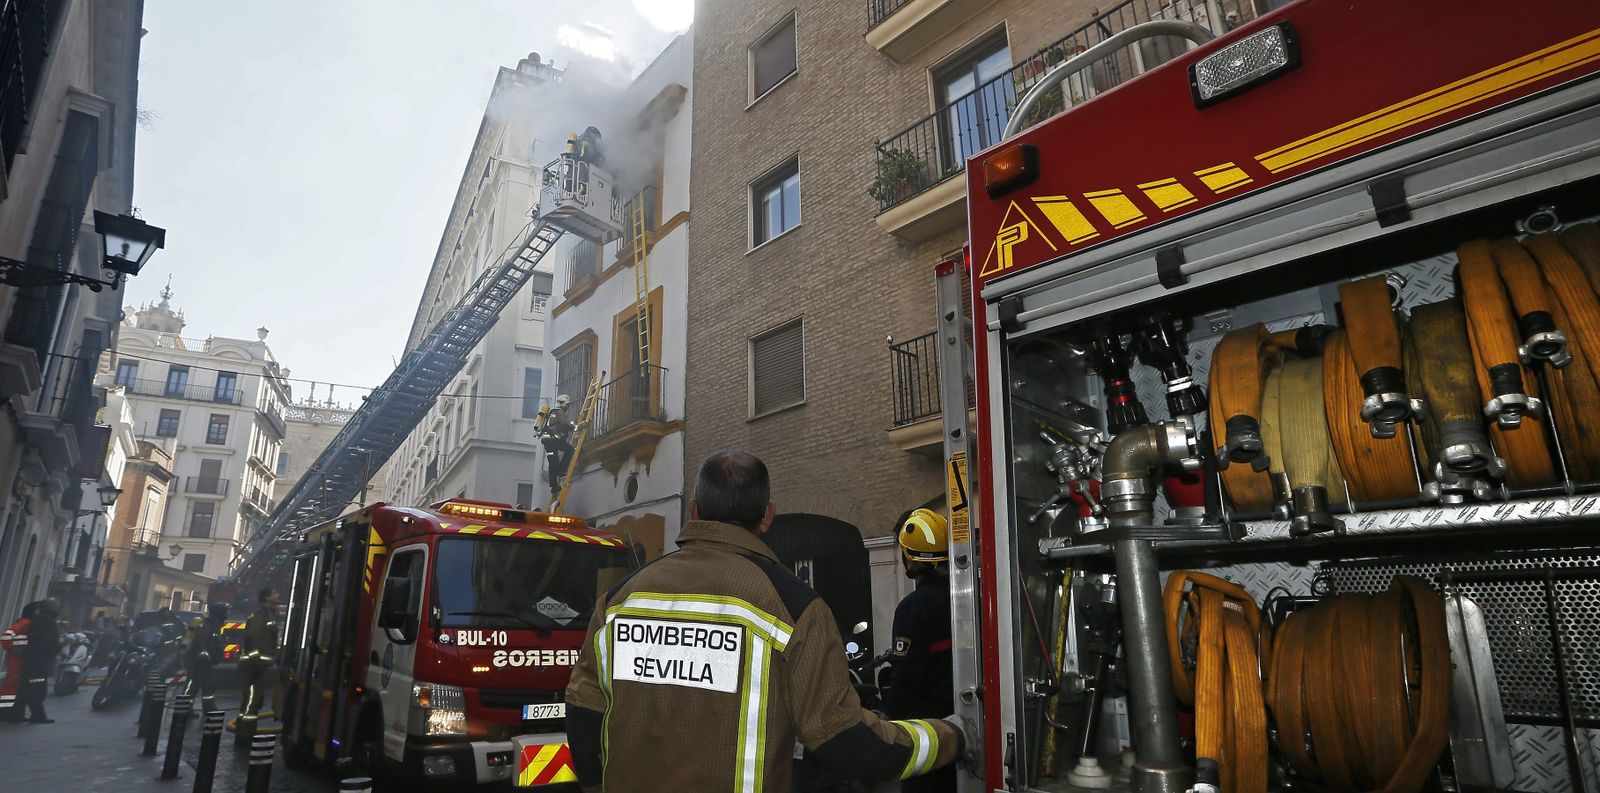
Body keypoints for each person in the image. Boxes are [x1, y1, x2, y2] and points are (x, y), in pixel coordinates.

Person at [565, 449, 970, 792]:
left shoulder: (619, 600)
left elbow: (584, 715)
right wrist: (953, 735)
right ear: (767, 516)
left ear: (694, 509)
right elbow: (846, 742)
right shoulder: (795, 608)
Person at [883, 508, 957, 793]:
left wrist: (887, 716)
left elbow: (907, 675)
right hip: (962, 726)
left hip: (927, 734)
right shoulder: (964, 598)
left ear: (910, 558)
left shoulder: (913, 608)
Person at [238, 588, 279, 723]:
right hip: (254, 666)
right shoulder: (260, 616)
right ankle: (244, 736)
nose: (277, 595)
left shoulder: (269, 615)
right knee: (252, 701)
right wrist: (254, 661)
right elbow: (251, 639)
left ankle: (245, 731)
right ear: (267, 598)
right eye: (274, 593)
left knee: (255, 700)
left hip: (259, 665)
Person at [16, 599, 60, 723]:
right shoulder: (47, 621)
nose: (58, 607)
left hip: (31, 659)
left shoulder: (38, 619)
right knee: (37, 687)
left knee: (25, 687)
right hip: (39, 661)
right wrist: (57, 649)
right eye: (55, 605)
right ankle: (37, 715)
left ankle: (17, 715)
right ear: (48, 607)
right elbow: (49, 641)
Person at [184, 601, 229, 713]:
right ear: (219, 613)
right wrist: (207, 657)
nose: (227, 613)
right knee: (194, 685)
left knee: (208, 685)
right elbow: (201, 643)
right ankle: (185, 708)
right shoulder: (207, 625)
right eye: (226, 611)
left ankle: (208, 707)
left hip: (205, 661)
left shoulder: (215, 624)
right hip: (199, 661)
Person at [0, 602, 35, 722]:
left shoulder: (28, 623)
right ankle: (4, 713)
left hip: (20, 659)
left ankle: (11, 714)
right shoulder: (25, 622)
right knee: (11, 687)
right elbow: (6, 636)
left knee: (15, 687)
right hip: (17, 660)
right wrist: (11, 648)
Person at [540, 394, 576, 495]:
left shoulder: (553, 412)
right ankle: (558, 478)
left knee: (554, 461)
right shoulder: (559, 412)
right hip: (551, 441)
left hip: (550, 441)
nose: (568, 407)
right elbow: (566, 423)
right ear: (563, 403)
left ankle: (555, 484)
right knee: (559, 458)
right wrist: (577, 427)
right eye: (567, 405)